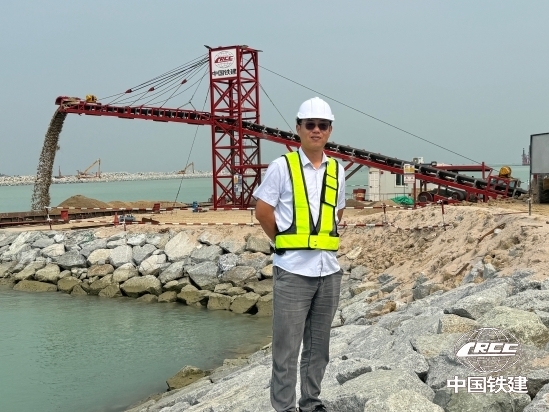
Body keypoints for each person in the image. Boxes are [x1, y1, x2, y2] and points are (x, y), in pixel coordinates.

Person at [253, 97, 346, 412]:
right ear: (299, 128)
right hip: (293, 270)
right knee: (286, 349)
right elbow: (263, 211)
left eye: (322, 125)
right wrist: (282, 242)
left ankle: (311, 402)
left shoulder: (337, 170)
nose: (316, 130)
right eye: (310, 125)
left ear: (329, 130)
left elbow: (338, 213)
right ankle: (284, 407)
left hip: (328, 270)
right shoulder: (282, 167)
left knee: (319, 348)